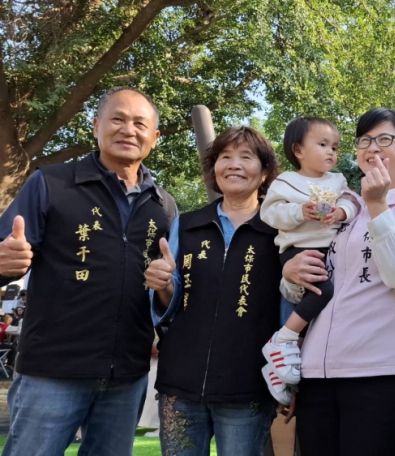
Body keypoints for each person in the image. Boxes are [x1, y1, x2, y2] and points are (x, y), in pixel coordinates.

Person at [0, 86, 176, 455]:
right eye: (117, 119)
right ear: (96, 126)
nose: (129, 130)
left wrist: (166, 289)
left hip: (126, 373)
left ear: (155, 138)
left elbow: (169, 290)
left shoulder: (163, 206)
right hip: (52, 369)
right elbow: (6, 252)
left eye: (140, 123)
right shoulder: (51, 183)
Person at [280, 108, 395, 455]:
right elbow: (316, 286)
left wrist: (379, 205)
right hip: (318, 374)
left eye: (385, 139)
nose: (372, 148)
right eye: (365, 140)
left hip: (383, 373)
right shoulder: (342, 208)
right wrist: (290, 274)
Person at [146, 126, 282, 456]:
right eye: (225, 157)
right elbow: (172, 298)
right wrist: (163, 285)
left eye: (246, 157)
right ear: (213, 170)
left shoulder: (281, 229)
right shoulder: (187, 224)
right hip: (180, 381)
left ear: (264, 173)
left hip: (247, 383)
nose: (233, 164)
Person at [260, 117, 358, 398]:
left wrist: (341, 212)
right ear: (299, 151)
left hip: (333, 250)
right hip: (298, 250)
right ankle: (283, 340)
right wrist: (298, 212)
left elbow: (351, 201)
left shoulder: (338, 180)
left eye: (335, 147)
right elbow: (270, 212)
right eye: (323, 144)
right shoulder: (286, 181)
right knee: (321, 291)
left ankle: (280, 370)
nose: (331, 152)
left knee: (326, 307)